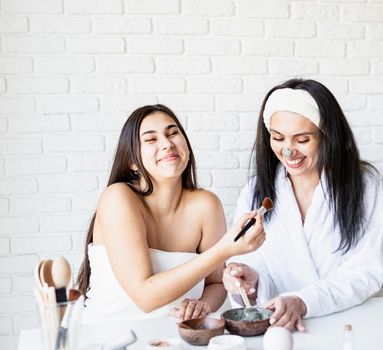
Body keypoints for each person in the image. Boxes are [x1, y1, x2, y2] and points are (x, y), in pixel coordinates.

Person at [77, 104, 265, 324]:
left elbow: (215, 283)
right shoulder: (118, 197)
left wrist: (204, 304)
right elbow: (144, 297)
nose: (167, 144)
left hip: (177, 338)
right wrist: (224, 250)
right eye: (151, 139)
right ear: (131, 161)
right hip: (109, 336)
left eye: (172, 133)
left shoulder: (207, 205)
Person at [222, 79, 383, 331]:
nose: (288, 151)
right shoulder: (255, 192)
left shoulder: (362, 185)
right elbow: (254, 265)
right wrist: (249, 280)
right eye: (278, 138)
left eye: (302, 139)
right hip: (280, 330)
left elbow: (365, 272)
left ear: (327, 136)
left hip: (346, 325)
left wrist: (303, 301)